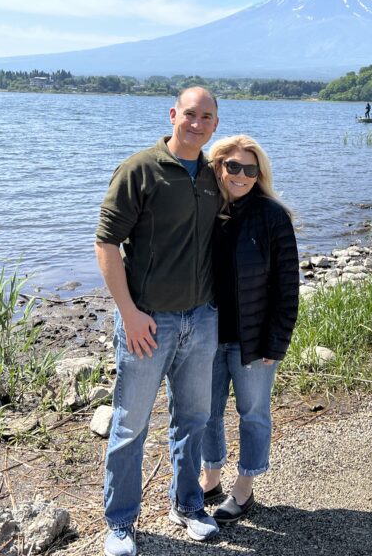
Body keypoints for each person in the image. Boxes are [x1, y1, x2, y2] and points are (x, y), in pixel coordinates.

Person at [95, 87, 222, 556]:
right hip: (148, 322)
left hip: (202, 318)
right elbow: (106, 243)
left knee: (193, 418)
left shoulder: (213, 175)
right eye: (190, 114)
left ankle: (187, 505)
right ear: (173, 115)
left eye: (207, 117)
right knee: (130, 425)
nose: (197, 123)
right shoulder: (140, 170)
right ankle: (121, 523)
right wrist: (129, 313)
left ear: (215, 124)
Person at [199, 135, 299, 524]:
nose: (241, 176)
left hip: (254, 339)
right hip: (206, 334)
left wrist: (278, 340)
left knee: (253, 413)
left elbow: (288, 286)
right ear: (219, 167)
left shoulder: (272, 216)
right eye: (233, 167)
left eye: (250, 170)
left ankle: (244, 488)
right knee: (206, 412)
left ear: (260, 175)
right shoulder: (205, 210)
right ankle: (211, 478)